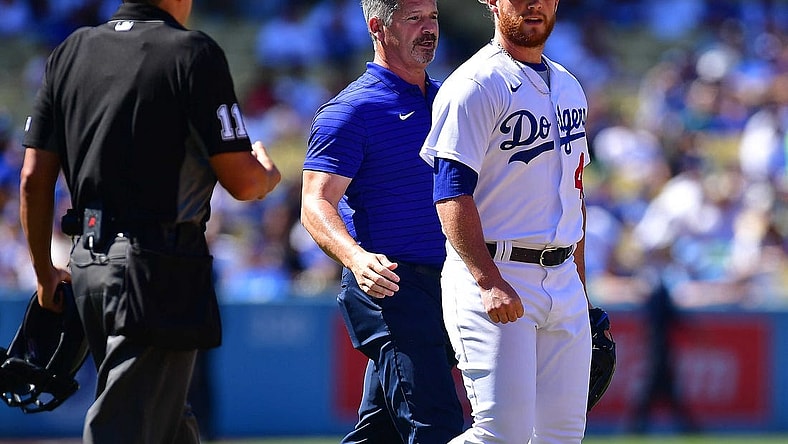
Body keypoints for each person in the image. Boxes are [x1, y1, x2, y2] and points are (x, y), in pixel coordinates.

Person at [19, 0, 281, 442]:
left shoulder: (70, 49)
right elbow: (244, 183)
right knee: (124, 428)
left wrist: (46, 273)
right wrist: (267, 173)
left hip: (87, 262)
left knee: (166, 424)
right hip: (156, 267)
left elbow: (31, 180)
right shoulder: (191, 51)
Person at [419, 0, 600, 442]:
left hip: (562, 278)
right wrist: (487, 279)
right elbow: (450, 193)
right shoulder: (475, 84)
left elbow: (573, 197)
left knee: (561, 436)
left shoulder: (569, 85)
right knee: (501, 435)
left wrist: (578, 284)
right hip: (498, 271)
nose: (534, 4)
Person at [300, 0, 465, 442]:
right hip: (389, 286)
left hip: (445, 284)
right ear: (378, 26)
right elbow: (315, 203)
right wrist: (356, 259)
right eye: (414, 19)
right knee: (438, 426)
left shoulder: (450, 98)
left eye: (432, 17)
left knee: (381, 432)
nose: (429, 29)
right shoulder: (351, 110)